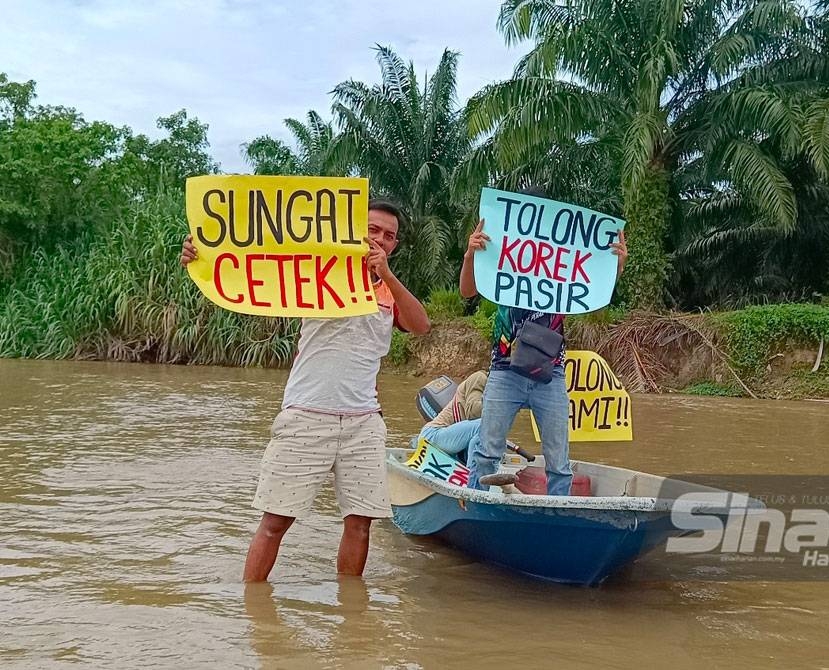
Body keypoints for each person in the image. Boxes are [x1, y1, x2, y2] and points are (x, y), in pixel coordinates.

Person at [180, 199, 431, 581]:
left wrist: (388, 276)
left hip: (364, 422)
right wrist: (204, 258)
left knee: (360, 522)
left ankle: (351, 614)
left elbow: (420, 325)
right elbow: (251, 269)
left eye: (390, 236)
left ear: (395, 245)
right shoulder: (315, 274)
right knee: (275, 521)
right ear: (352, 230)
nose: (380, 239)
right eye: (373, 230)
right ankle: (254, 613)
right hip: (306, 414)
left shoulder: (388, 292)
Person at [459, 188, 627, 495]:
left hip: (551, 373)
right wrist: (471, 254)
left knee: (559, 461)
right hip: (504, 369)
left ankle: (557, 510)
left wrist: (615, 266)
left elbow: (595, 296)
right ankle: (474, 503)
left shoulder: (563, 268)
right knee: (486, 452)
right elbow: (468, 291)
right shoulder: (499, 260)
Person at [417, 370, 488, 460]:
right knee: (485, 425)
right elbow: (473, 412)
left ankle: (473, 468)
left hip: (452, 442)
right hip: (432, 434)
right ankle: (474, 473)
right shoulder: (480, 377)